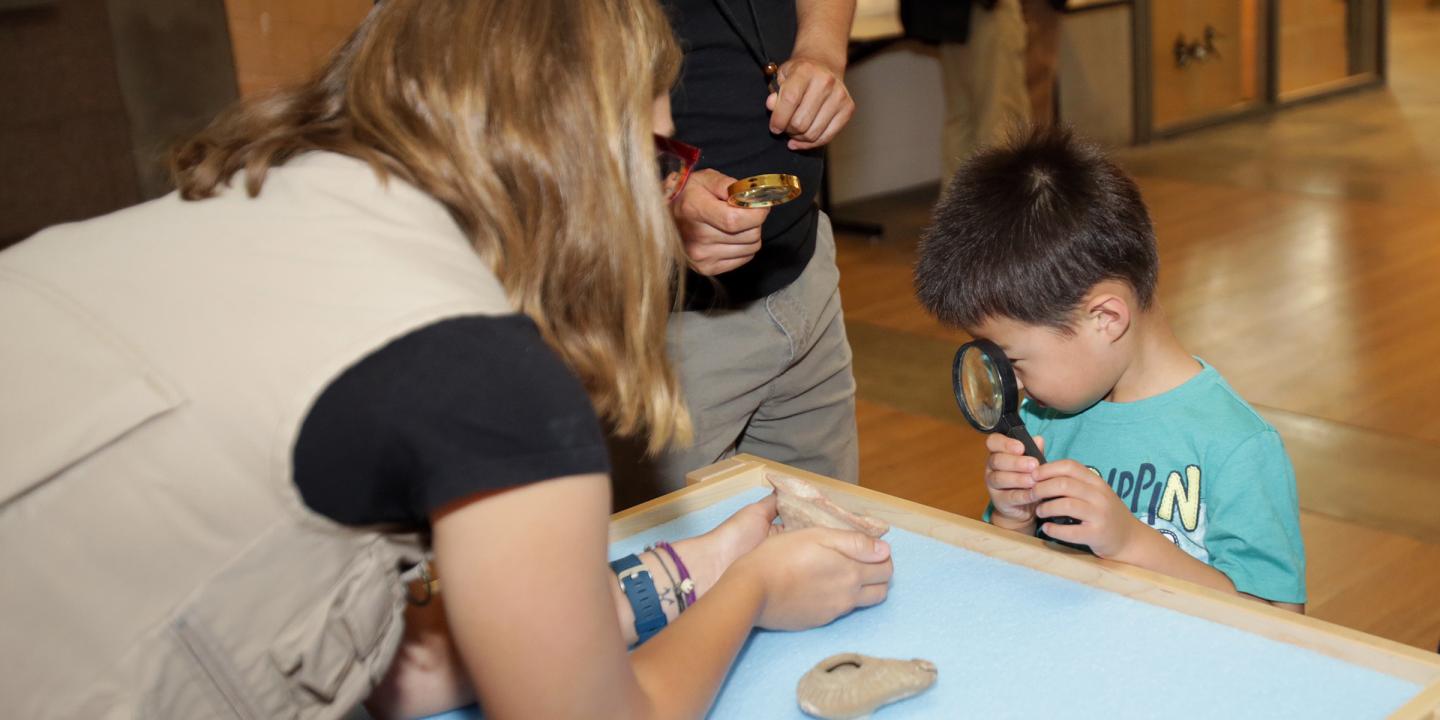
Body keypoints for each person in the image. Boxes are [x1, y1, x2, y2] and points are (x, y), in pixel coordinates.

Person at [0, 1, 894, 718]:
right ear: (578, 152)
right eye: (661, 152)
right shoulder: (486, 370)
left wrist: (682, 572)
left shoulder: (239, 205)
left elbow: (396, 664)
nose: (666, 187)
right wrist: (748, 591)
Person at [913, 128, 1306, 611]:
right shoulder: (1043, 420)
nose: (1010, 386)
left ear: (1105, 318)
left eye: (1013, 361)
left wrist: (1131, 545)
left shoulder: (1237, 447)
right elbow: (1018, 583)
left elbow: (1281, 622)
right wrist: (1012, 518)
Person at [611, 0, 861, 506]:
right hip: (664, 322)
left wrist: (822, 48)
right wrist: (655, 198)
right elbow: (515, 89)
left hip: (805, 266)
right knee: (677, 572)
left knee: (831, 551)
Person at [901, 0, 1064, 179]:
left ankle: (961, 203)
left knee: (963, 118)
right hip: (985, 9)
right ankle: (1003, 204)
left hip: (951, 17)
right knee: (1001, 120)